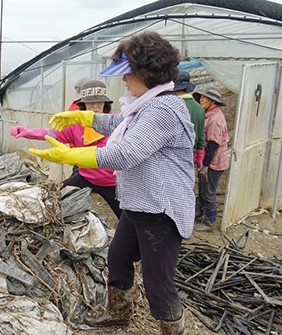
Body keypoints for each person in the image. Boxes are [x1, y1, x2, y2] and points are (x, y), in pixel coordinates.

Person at [29, 31, 193, 335]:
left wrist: (72, 154)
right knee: (117, 259)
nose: (124, 81)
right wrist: (85, 120)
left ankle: (173, 330)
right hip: (139, 205)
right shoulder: (145, 105)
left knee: (159, 285)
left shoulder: (163, 110)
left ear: (144, 72)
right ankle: (118, 314)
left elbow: (127, 153)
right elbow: (121, 124)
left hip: (161, 211)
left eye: (127, 73)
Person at [10, 80, 121, 219]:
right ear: (83, 104)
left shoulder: (116, 124)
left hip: (112, 182)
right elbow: (52, 133)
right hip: (86, 177)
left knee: (128, 219)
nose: (95, 106)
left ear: (106, 103)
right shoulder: (77, 124)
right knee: (53, 196)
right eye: (90, 102)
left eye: (99, 101)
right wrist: (26, 132)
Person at [192, 85, 230, 231]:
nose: (201, 99)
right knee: (203, 188)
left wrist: (205, 167)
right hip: (211, 160)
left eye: (205, 98)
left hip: (214, 162)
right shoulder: (210, 115)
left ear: (213, 102)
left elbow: (213, 146)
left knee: (208, 191)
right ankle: (200, 213)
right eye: (201, 97)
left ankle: (209, 221)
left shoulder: (214, 120)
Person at [174, 71, 205, 168]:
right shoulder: (199, 108)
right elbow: (200, 137)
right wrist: (199, 158)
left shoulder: (175, 106)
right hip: (191, 155)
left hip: (176, 157)